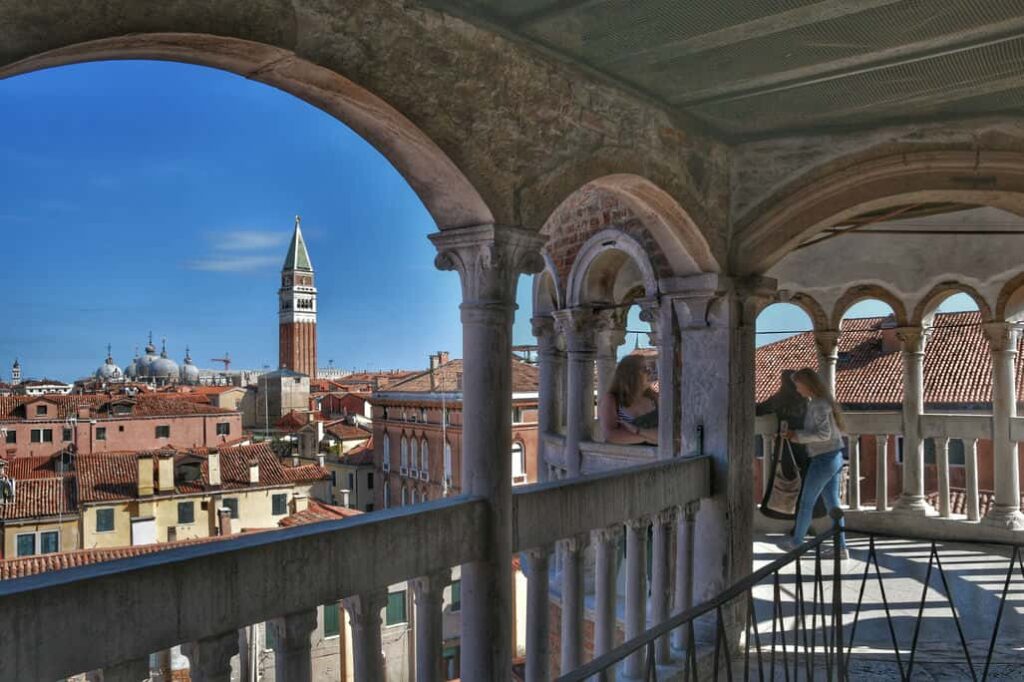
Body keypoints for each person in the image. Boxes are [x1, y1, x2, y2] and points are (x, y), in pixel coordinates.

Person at [782, 367, 848, 558]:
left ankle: (796, 543)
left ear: (807, 384)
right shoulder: (821, 402)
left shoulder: (818, 405)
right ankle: (841, 548)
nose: (797, 389)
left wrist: (797, 436)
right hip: (834, 456)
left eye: (798, 385)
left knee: (806, 502)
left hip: (824, 459)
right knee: (833, 505)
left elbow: (823, 434)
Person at [598, 354, 658, 445]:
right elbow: (611, 435)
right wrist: (649, 438)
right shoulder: (612, 400)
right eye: (645, 369)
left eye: (650, 369)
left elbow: (666, 433)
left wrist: (637, 431)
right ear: (630, 374)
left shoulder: (655, 398)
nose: (650, 373)